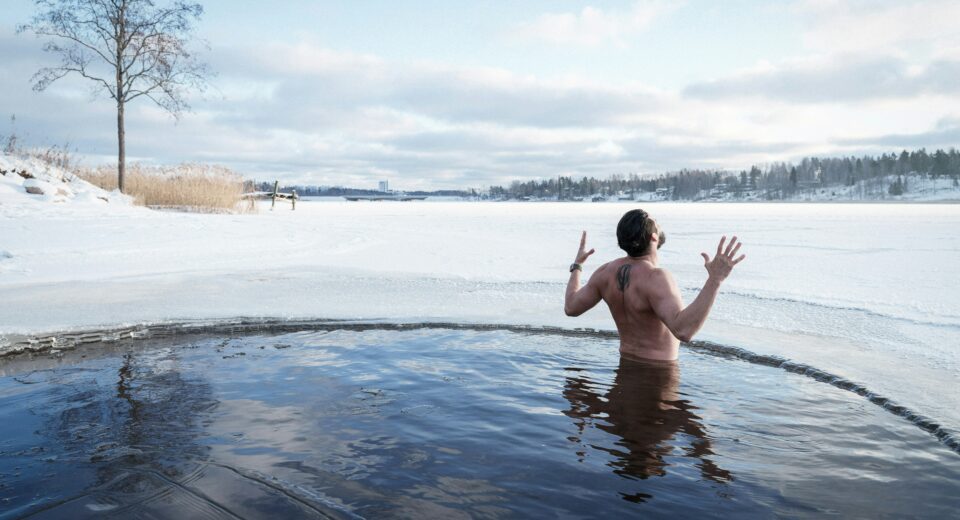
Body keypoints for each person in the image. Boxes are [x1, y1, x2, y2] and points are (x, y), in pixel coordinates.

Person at [564, 209, 745, 361]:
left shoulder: (605, 273)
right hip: (658, 375)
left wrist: (577, 266)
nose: (659, 225)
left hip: (625, 365)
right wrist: (715, 280)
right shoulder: (656, 278)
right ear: (654, 237)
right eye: (657, 223)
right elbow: (684, 330)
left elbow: (571, 307)